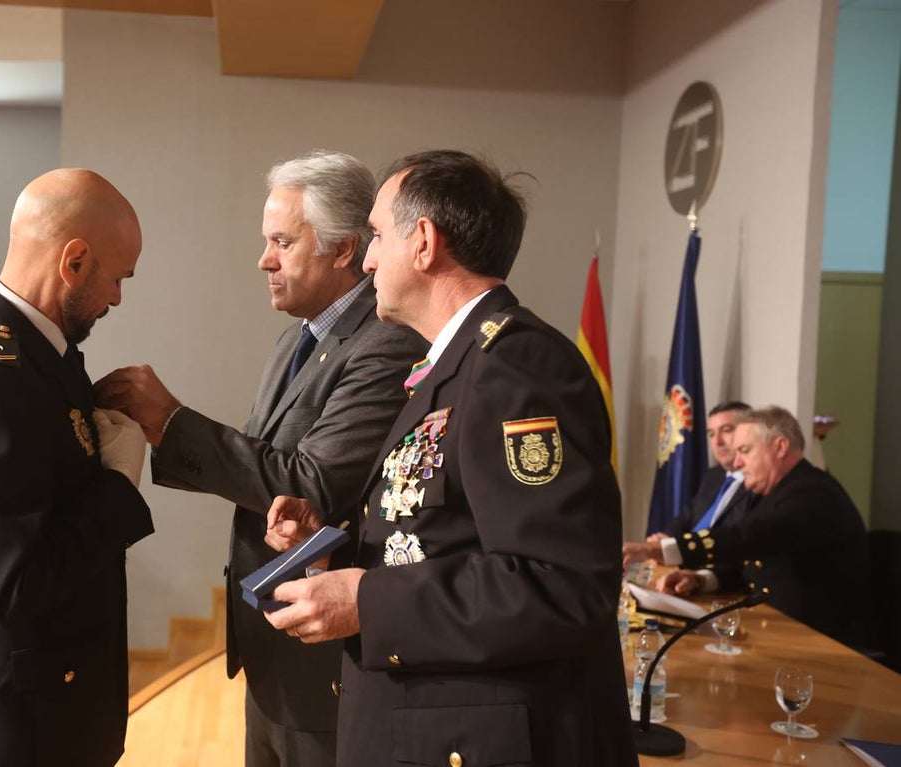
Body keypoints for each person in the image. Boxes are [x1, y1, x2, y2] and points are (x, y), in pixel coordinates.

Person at [262, 150, 638, 766]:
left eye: (377, 236)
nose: (367, 259)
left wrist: (367, 600)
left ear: (424, 242)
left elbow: (560, 585)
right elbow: (443, 537)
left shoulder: (517, 365)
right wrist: (335, 557)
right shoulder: (455, 364)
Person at [96, 150, 426, 767]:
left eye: (282, 242)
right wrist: (162, 428)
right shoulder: (296, 337)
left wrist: (173, 419)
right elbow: (263, 461)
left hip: (324, 662)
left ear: (342, 249)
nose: (264, 260)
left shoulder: (386, 344)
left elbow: (311, 487)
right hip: (273, 650)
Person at [0, 169, 154, 767]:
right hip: (9, 732)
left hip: (47, 713)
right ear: (75, 261)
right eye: (118, 278)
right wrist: (118, 483)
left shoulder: (40, 353)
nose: (117, 299)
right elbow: (17, 588)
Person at [642, 406, 870, 646]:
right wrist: (701, 580)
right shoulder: (777, 492)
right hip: (781, 629)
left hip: (824, 643)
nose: (737, 462)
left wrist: (659, 549)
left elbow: (748, 537)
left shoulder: (813, 492)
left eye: (745, 450)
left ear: (780, 447)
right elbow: (750, 567)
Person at [621, 401, 756, 586]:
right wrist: (662, 543)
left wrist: (673, 552)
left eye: (726, 430)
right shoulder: (713, 477)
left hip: (718, 580)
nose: (717, 442)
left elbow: (736, 543)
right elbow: (687, 517)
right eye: (711, 434)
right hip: (684, 569)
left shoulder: (758, 484)